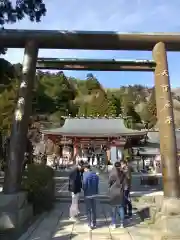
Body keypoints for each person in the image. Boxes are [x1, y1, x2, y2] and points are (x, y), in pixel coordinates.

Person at [108, 161, 126, 229]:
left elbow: (109, 182)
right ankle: (122, 224)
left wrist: (109, 187)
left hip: (114, 192)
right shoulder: (122, 173)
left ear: (115, 166)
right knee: (121, 208)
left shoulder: (113, 173)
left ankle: (114, 223)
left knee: (113, 209)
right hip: (120, 191)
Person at [82, 162, 99, 231]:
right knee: (94, 209)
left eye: (84, 168)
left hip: (88, 194)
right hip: (94, 193)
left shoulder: (85, 174)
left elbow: (84, 184)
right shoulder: (95, 174)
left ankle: (89, 224)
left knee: (88, 210)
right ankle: (94, 223)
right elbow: (97, 183)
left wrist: (84, 189)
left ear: (86, 168)